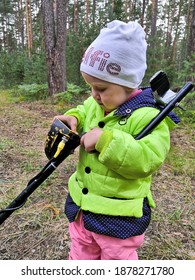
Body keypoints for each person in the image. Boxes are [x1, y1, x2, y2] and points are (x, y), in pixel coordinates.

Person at [54, 20, 179, 260]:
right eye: (90, 86)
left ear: (128, 82)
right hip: (83, 206)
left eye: (100, 88)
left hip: (117, 221)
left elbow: (147, 159)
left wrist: (106, 141)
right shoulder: (98, 102)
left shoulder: (148, 117)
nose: (94, 95)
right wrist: (73, 117)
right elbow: (84, 108)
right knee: (80, 255)